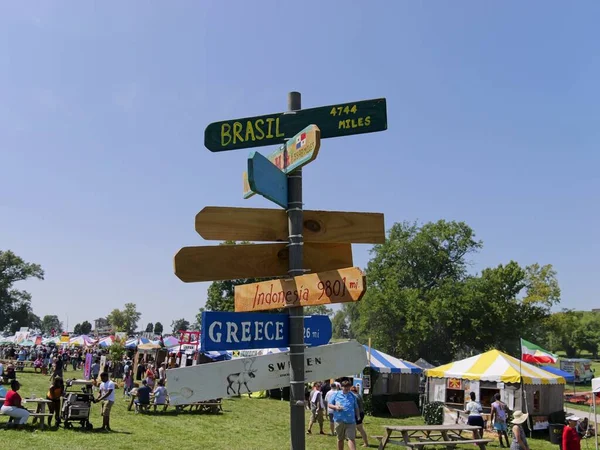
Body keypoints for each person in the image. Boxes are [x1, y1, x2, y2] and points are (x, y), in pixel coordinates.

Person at [329, 379, 360, 450]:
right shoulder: (336, 394)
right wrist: (336, 407)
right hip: (339, 420)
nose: (346, 388)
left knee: (351, 438)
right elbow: (329, 404)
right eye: (345, 386)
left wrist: (358, 416)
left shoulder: (352, 395)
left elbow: (356, 407)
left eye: (348, 386)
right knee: (340, 439)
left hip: (350, 421)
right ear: (341, 387)